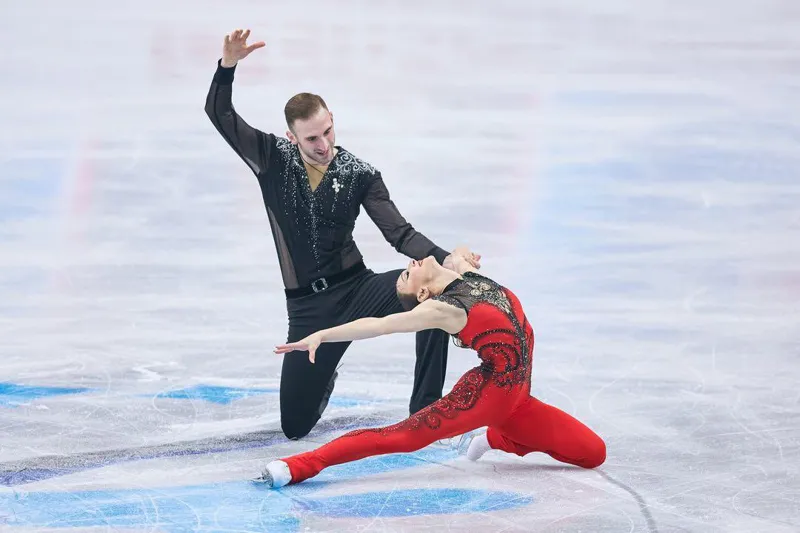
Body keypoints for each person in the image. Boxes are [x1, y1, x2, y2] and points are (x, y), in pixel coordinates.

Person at [204, 29, 480, 440]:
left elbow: (400, 234)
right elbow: (220, 114)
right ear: (291, 137)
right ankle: (325, 375)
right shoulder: (271, 158)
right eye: (312, 138)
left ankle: (424, 407)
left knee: (434, 294)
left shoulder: (359, 174)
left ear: (332, 119)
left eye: (328, 131)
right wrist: (227, 67)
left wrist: (447, 263)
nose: (324, 144)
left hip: (359, 289)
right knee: (295, 427)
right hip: (308, 308)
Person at [256, 248, 607, 488]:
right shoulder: (443, 310)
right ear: (423, 293)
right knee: (403, 436)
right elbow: (379, 325)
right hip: (485, 397)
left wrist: (462, 254)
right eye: (407, 275)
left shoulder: (465, 275)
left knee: (593, 454)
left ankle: (496, 437)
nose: (409, 265)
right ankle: (300, 465)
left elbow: (457, 257)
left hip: (520, 401)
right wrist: (322, 335)